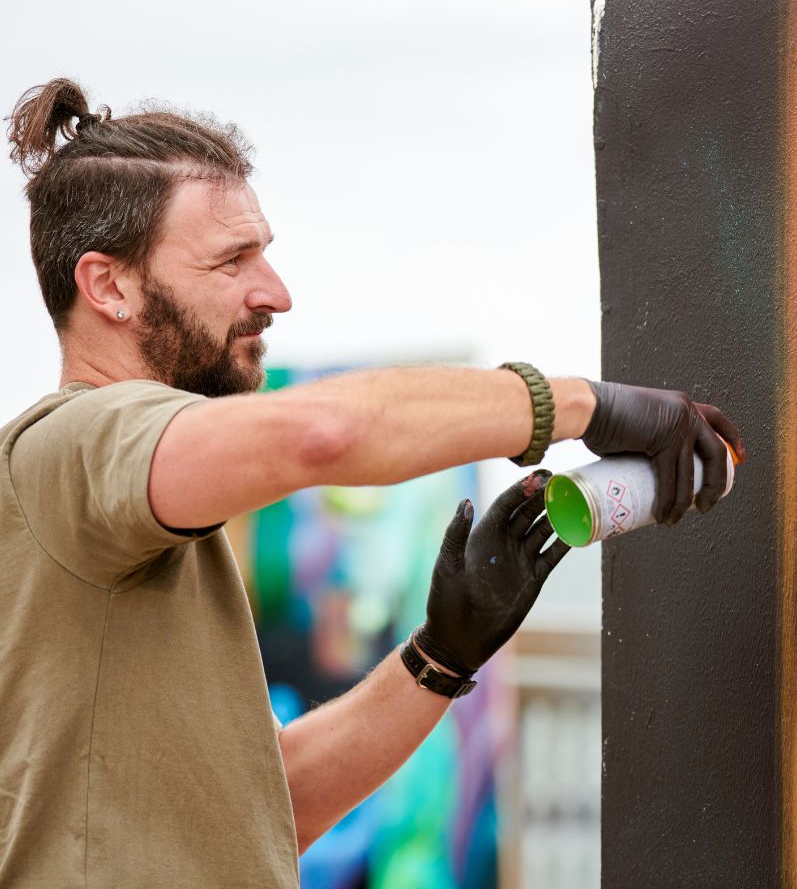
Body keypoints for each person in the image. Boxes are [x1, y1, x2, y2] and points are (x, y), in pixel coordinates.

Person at [0, 79, 743, 885]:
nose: (274, 293)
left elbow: (276, 810)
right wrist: (581, 405)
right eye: (232, 261)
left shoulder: (131, 517)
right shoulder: (69, 443)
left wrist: (444, 652)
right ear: (108, 286)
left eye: (265, 252)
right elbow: (326, 433)